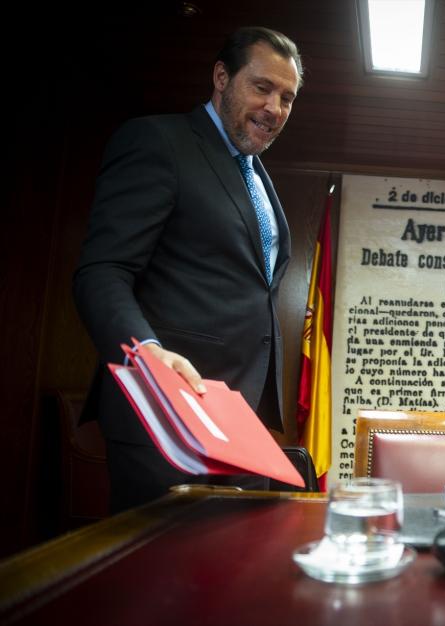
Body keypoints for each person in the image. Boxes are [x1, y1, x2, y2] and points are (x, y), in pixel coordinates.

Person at [73, 27, 303, 512]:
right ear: (221, 76)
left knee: (236, 572)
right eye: (262, 87)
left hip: (240, 421)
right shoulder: (159, 141)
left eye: (287, 97)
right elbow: (103, 270)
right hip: (168, 415)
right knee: (161, 577)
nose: (275, 109)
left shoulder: (254, 173)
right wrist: (147, 353)